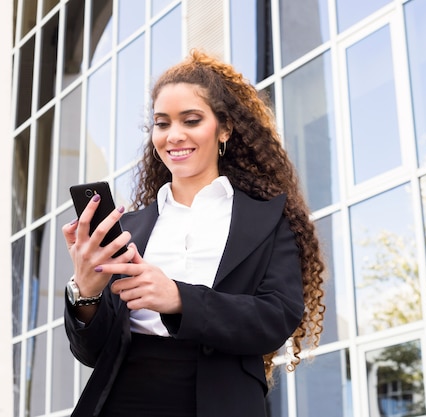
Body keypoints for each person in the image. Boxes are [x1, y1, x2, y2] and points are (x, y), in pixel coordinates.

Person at [62, 49, 325, 417]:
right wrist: (85, 292)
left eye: (191, 120)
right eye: (162, 123)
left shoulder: (267, 220)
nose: (174, 136)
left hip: (223, 401)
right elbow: (92, 352)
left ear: (225, 128)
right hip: (124, 399)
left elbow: (276, 318)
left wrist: (179, 298)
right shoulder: (131, 230)